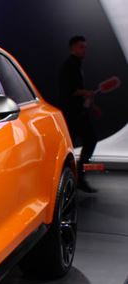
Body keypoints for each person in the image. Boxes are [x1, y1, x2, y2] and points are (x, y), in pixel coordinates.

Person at [59, 35, 98, 193]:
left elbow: (76, 91)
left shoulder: (75, 65)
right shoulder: (69, 66)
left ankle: (77, 177)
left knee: (84, 141)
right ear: (73, 48)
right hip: (72, 114)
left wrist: (92, 105)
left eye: (85, 47)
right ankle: (76, 177)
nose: (84, 50)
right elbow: (68, 90)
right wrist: (86, 93)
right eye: (81, 47)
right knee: (85, 141)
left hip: (77, 114)